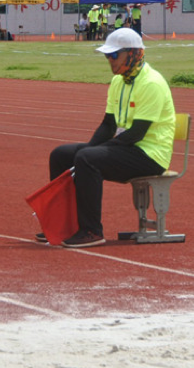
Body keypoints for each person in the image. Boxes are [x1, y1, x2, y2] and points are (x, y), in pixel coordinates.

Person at [39, 28, 176, 248]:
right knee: (61, 155)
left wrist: (87, 154)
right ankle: (63, 225)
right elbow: (108, 125)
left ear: (133, 53)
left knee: (87, 159)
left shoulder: (151, 83)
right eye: (107, 56)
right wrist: (86, 150)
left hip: (150, 155)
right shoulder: (118, 82)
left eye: (114, 55)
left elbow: (137, 133)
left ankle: (92, 230)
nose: (110, 61)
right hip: (128, 148)